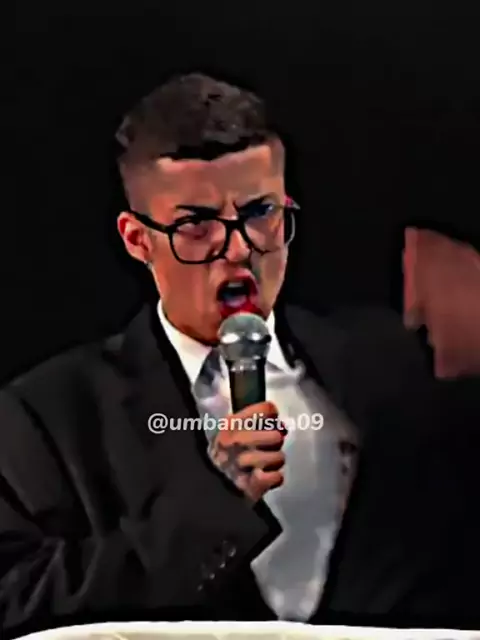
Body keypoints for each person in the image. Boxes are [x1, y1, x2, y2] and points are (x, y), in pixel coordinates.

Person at [1, 73, 478, 637]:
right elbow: (18, 601)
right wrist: (213, 501)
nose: (237, 247)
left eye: (259, 213)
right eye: (196, 225)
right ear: (137, 239)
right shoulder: (48, 414)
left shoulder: (393, 371)